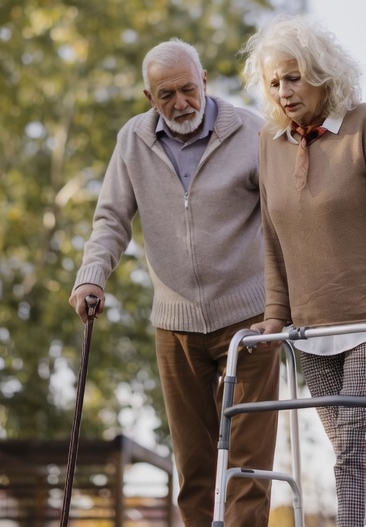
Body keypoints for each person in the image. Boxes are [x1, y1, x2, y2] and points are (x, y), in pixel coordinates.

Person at [69, 38, 280, 527]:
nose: (180, 103)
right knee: (195, 466)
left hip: (249, 316)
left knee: (247, 462)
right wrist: (91, 277)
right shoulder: (133, 141)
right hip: (176, 321)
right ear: (149, 98)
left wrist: (288, 301)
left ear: (205, 81)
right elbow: (111, 220)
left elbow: (285, 218)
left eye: (188, 89)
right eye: (167, 95)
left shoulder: (251, 131)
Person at [242, 16, 366, 527]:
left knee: (354, 456)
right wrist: (276, 316)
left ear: (323, 75)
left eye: (294, 77)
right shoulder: (269, 143)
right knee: (362, 465)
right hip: (312, 331)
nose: (284, 91)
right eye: (275, 82)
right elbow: (271, 237)